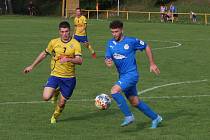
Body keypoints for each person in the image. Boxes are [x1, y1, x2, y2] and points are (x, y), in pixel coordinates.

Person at [105, 20, 162, 128]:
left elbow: (146, 46)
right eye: (112, 32)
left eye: (116, 31)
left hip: (131, 75)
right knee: (135, 102)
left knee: (114, 91)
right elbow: (108, 58)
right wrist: (108, 62)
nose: (114, 34)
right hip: (122, 76)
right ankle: (156, 118)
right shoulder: (110, 43)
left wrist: (152, 63)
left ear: (122, 30)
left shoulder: (131, 41)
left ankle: (128, 116)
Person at [23, 21, 83, 124]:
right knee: (46, 97)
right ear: (59, 32)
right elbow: (44, 54)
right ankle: (56, 91)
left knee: (62, 103)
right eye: (62, 31)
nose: (64, 34)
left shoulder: (75, 44)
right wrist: (32, 66)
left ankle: (54, 117)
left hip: (69, 78)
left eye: (66, 31)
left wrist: (68, 59)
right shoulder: (53, 42)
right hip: (55, 75)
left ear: (70, 31)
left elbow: (80, 61)